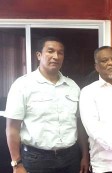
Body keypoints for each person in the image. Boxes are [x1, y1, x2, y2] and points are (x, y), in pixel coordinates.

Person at [5, 36, 89, 173]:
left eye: (60, 52)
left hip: (71, 158)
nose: (55, 56)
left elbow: (79, 125)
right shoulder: (22, 85)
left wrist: (85, 156)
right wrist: (16, 163)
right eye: (50, 51)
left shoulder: (72, 86)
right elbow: (12, 128)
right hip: (36, 159)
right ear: (39, 55)